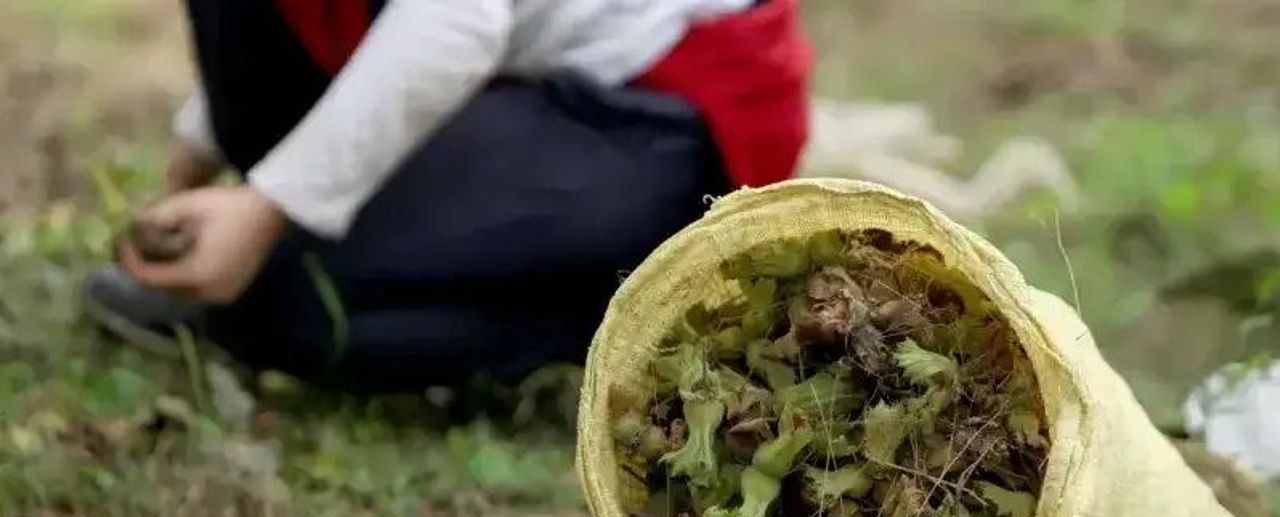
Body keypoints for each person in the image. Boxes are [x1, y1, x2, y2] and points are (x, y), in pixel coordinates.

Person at [82, 0, 813, 393]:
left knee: (288, 300)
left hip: (654, 105)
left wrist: (266, 210)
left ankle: (600, 317)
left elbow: (454, 20)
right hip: (512, 75)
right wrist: (193, 169)